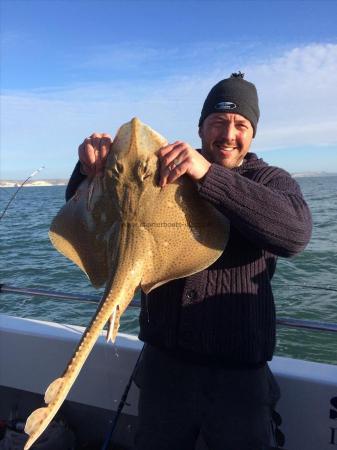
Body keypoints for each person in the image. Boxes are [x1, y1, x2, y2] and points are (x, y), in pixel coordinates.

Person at [66, 73, 312, 450]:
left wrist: (208, 174)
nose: (229, 134)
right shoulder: (166, 172)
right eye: (218, 121)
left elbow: (294, 234)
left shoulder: (269, 179)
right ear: (200, 127)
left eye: (241, 124)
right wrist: (89, 169)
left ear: (253, 133)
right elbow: (96, 208)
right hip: (165, 369)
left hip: (239, 378)